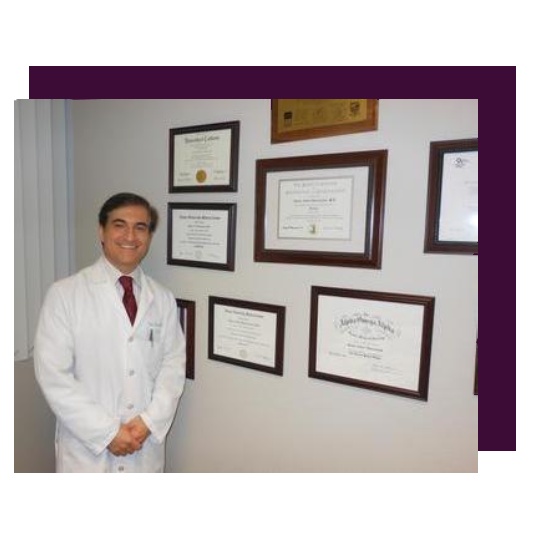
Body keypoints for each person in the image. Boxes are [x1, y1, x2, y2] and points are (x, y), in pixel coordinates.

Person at [34, 193, 186, 473]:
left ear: (149, 236)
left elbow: (173, 367)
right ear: (101, 231)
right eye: (119, 224)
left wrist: (148, 423)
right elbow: (53, 375)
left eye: (141, 227)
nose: (130, 235)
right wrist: (107, 433)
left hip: (144, 445)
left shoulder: (162, 298)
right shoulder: (65, 294)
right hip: (86, 449)